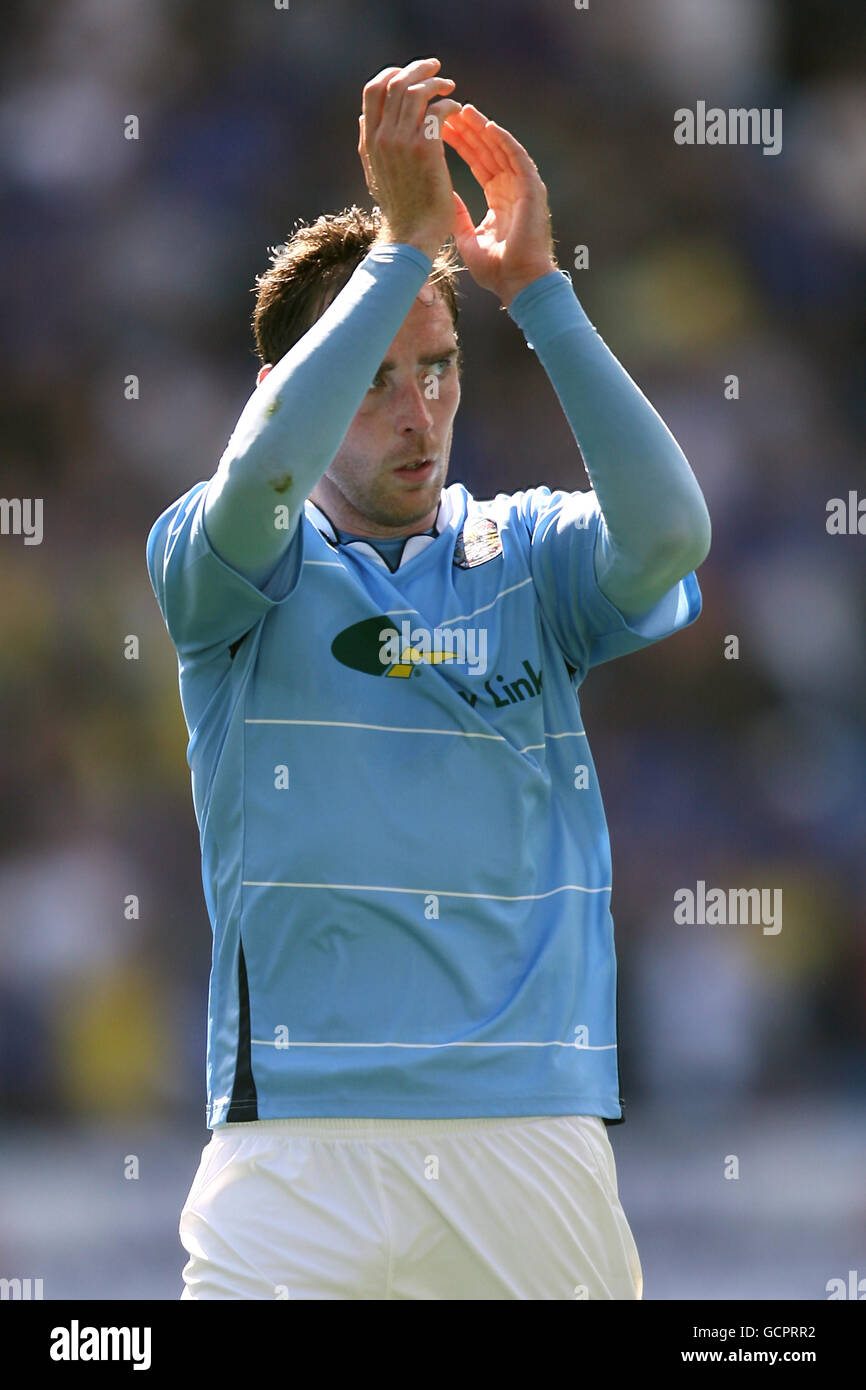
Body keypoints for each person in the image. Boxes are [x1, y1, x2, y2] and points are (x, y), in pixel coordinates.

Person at [147, 57, 711, 1300]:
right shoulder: (227, 562)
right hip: (292, 1139)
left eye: (439, 368)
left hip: (526, 1129)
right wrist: (401, 252)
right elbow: (256, 487)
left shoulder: (531, 555)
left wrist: (541, 297)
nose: (419, 413)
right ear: (291, 394)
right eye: (374, 380)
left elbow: (670, 535)